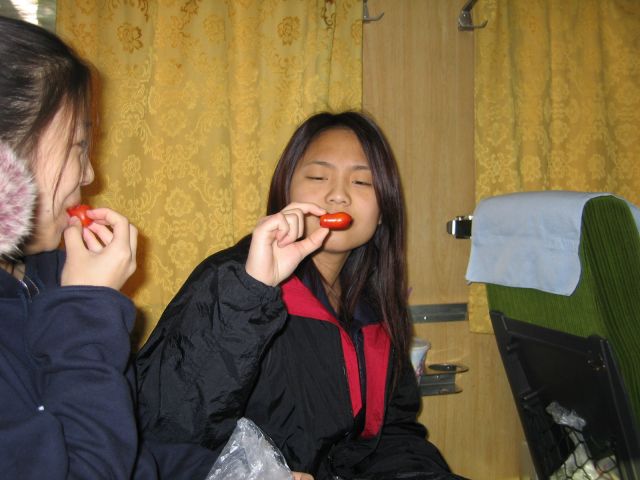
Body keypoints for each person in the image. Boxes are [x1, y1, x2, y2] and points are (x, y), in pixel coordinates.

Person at [136, 111, 466, 479]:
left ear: (383, 212)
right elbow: (169, 421)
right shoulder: (236, 281)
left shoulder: (374, 308)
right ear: (285, 191)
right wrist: (251, 291)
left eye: (361, 181)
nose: (338, 195)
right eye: (318, 177)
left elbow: (390, 435)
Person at [0, 15, 217, 479]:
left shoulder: (42, 278)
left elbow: (130, 450)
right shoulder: (73, 300)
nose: (89, 174)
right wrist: (85, 309)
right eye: (77, 145)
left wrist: (237, 471)